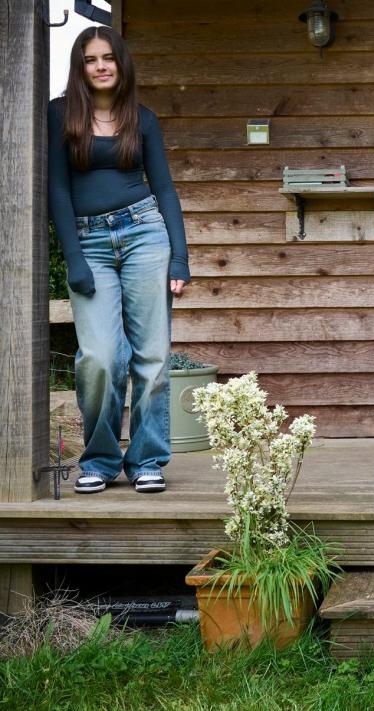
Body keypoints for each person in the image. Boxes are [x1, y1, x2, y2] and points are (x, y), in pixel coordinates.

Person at [48, 27, 190, 494]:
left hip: (145, 234)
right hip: (88, 243)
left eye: (109, 57)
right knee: (101, 358)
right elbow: (58, 188)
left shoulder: (142, 118)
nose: (101, 66)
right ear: (80, 66)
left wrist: (179, 259)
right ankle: (101, 459)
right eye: (91, 59)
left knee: (151, 355)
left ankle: (147, 459)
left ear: (121, 63)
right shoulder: (58, 115)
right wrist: (74, 258)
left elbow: (165, 188)